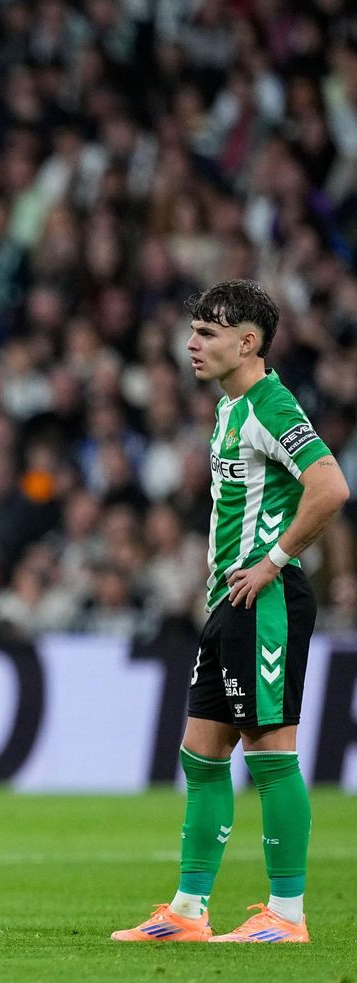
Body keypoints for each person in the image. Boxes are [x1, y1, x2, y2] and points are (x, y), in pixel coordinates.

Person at [113, 281, 348, 944]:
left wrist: (274, 560)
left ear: (248, 343)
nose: (192, 343)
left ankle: (287, 914)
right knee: (202, 754)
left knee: (271, 753)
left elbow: (330, 485)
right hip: (228, 604)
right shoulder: (229, 409)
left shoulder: (270, 405)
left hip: (264, 600)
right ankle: (188, 912)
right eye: (193, 330)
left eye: (209, 332)